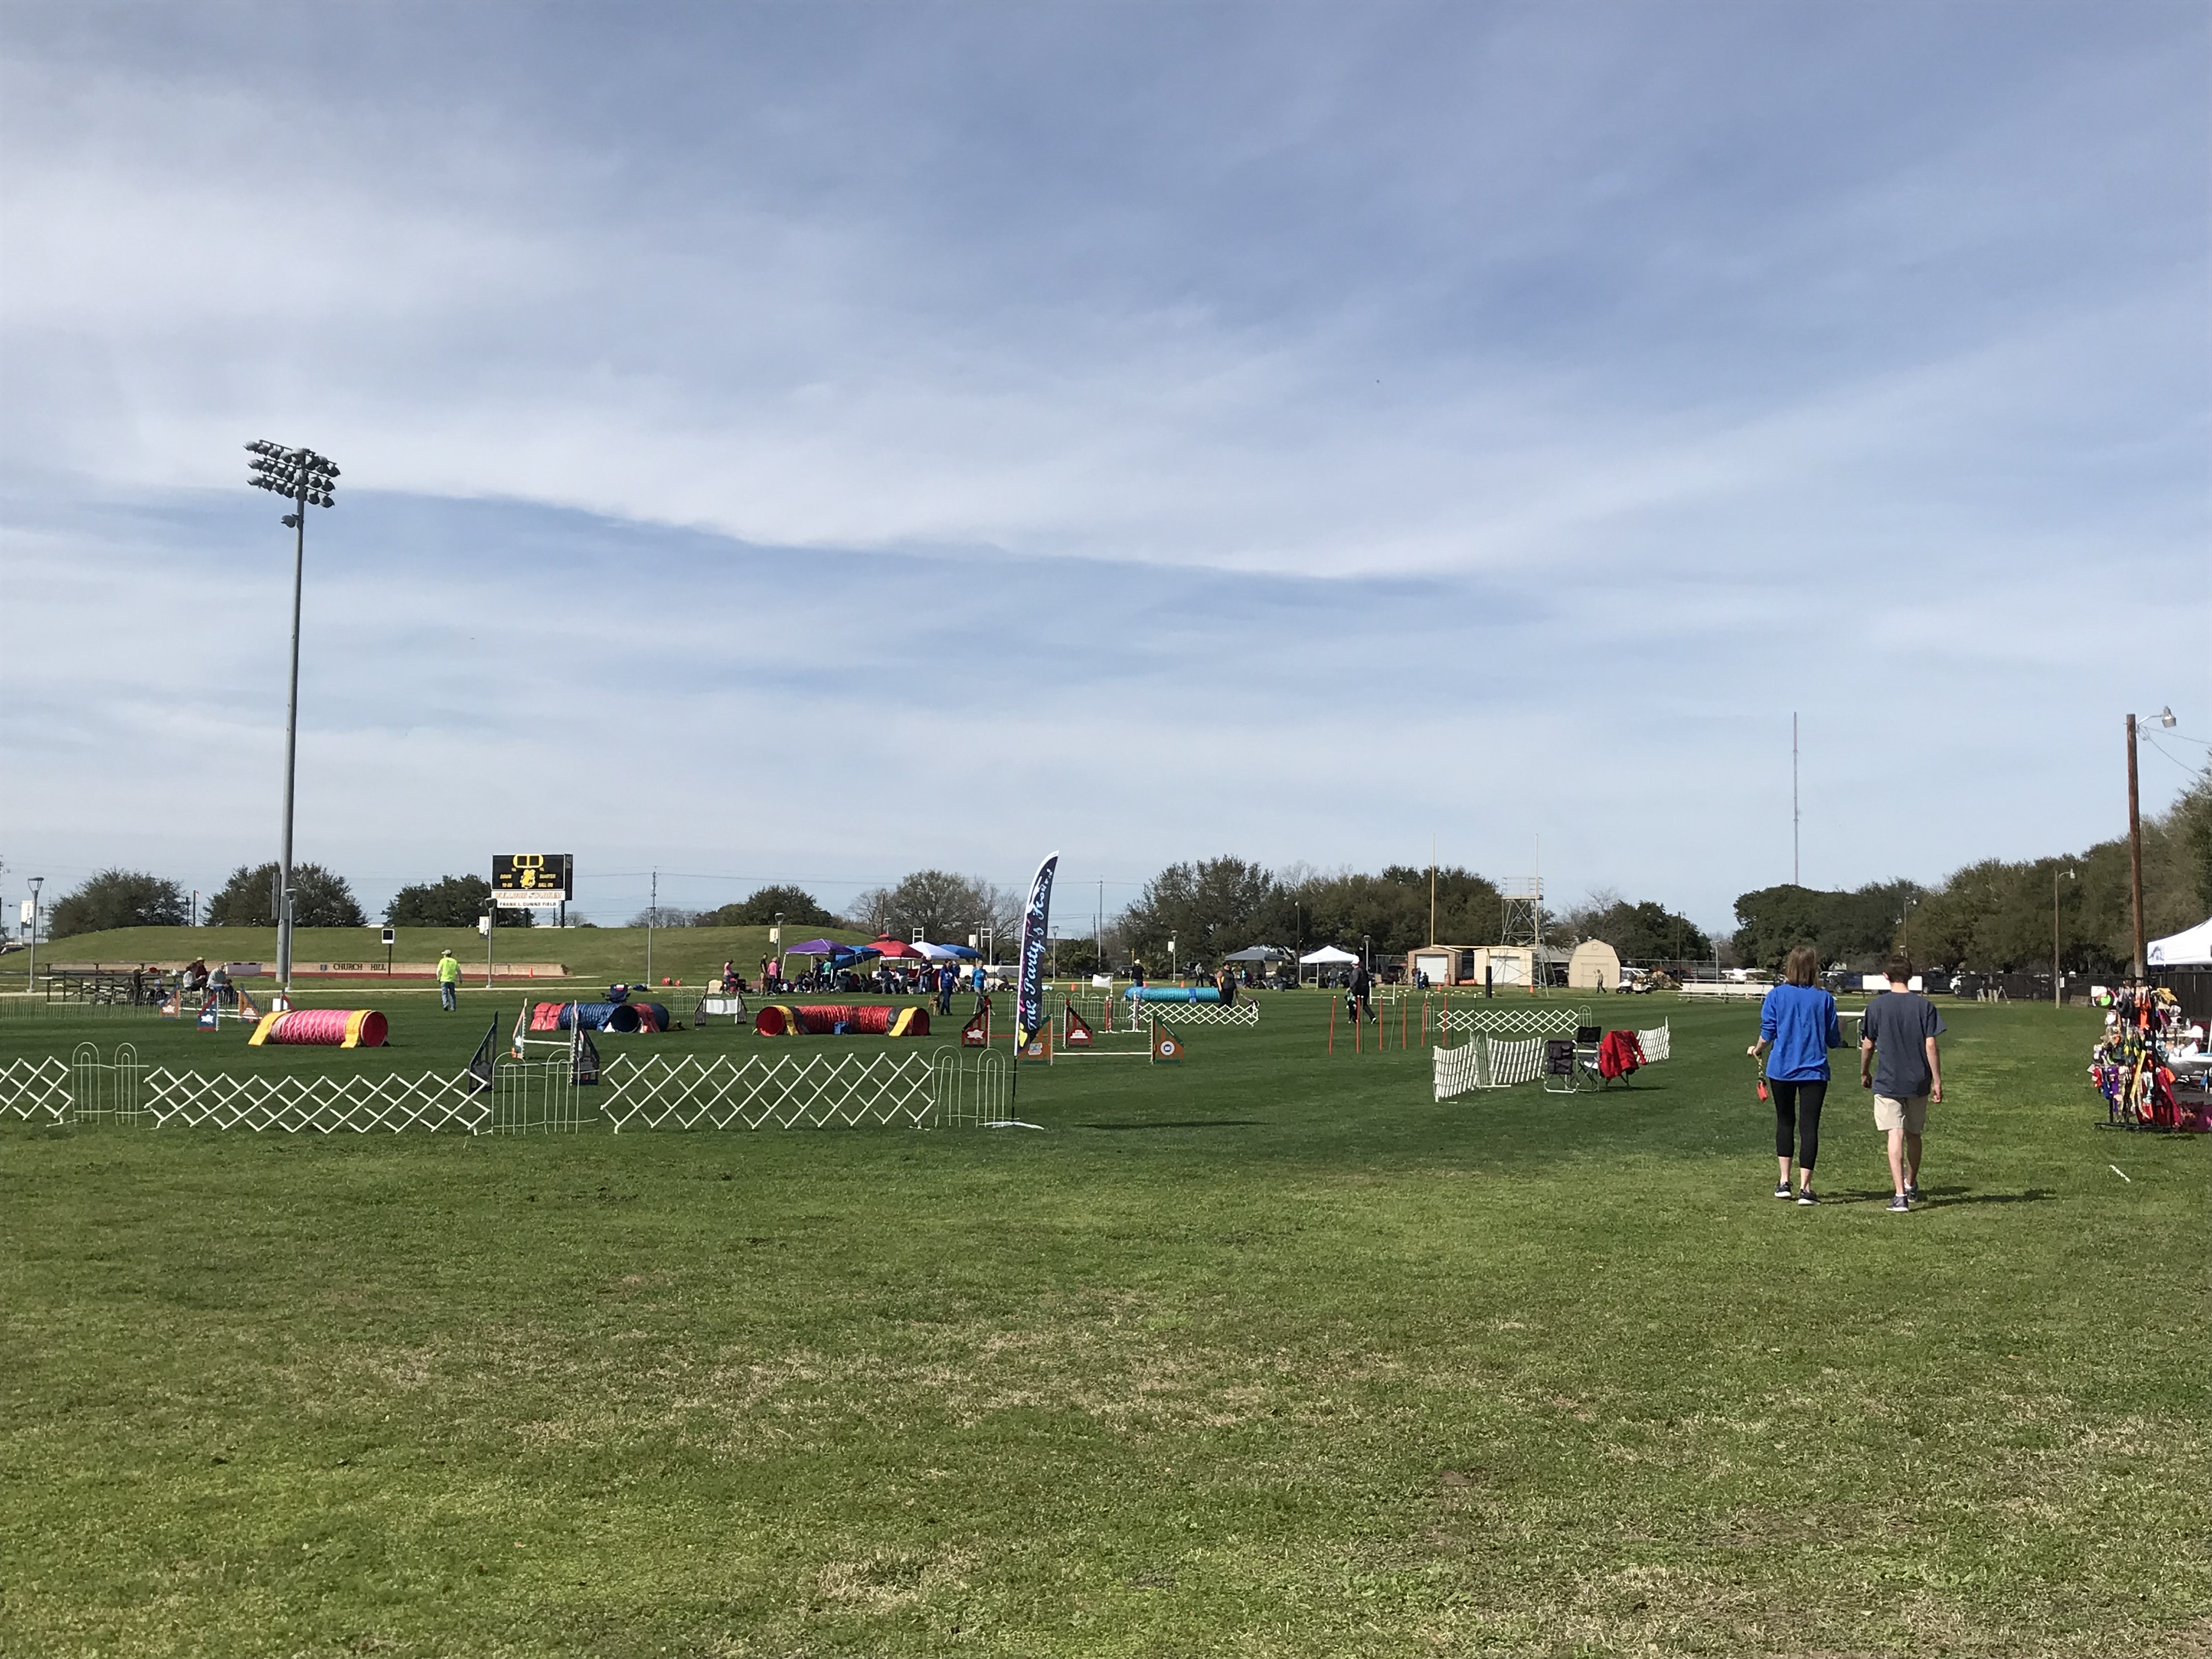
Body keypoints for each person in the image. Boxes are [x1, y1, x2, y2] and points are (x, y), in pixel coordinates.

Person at [1747, 944, 1843, 1204]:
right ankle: (1806, 1188)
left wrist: (1757, 1049)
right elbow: (1833, 1039)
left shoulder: (1777, 995)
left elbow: (1768, 1031)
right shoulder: (1824, 998)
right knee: (1809, 1126)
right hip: (1814, 1070)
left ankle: (1784, 1182)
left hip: (1782, 1069)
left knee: (1785, 1121)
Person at [1861, 956, 1945, 1211]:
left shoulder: (1876, 1007)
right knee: (1914, 1134)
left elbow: (1868, 1044)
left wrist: (1864, 1071)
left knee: (1895, 1133)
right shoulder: (1924, 1006)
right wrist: (1937, 1080)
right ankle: (1910, 1183)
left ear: (1886, 977)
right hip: (1918, 1079)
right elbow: (1931, 1045)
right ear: (1911, 976)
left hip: (1888, 1079)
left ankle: (1900, 1195)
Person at [1350, 960, 1374, 1025]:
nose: (1352, 966)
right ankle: (1372, 1017)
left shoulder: (1356, 971)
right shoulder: (1364, 971)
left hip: (1359, 989)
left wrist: (1351, 987)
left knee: (1355, 1004)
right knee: (1364, 1004)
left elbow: (1355, 980)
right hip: (1366, 989)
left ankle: (1355, 1019)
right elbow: (1369, 978)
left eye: (1353, 964)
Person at [437, 947, 461, 1011]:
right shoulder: (454, 961)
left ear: (446, 955)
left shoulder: (443, 961)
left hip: (444, 979)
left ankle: (445, 1004)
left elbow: (439, 970)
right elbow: (459, 971)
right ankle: (453, 1007)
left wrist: (438, 978)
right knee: (452, 994)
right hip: (452, 980)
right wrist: (460, 978)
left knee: (444, 993)